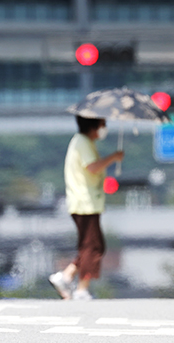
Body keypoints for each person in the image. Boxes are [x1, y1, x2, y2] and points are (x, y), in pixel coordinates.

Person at [48, 116, 124, 300]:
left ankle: (66, 276)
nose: (104, 128)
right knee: (92, 246)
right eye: (103, 124)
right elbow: (92, 167)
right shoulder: (82, 142)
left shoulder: (83, 142)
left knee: (93, 245)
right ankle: (81, 287)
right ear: (94, 125)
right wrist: (113, 157)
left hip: (86, 202)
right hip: (85, 203)